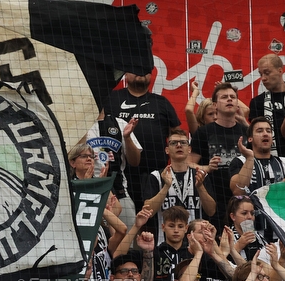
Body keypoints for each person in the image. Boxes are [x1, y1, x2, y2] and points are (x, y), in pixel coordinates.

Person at [102, 71, 181, 214]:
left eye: (145, 70)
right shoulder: (112, 98)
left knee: (157, 218)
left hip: (157, 174)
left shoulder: (161, 102)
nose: (141, 73)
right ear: (125, 74)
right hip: (122, 176)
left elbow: (177, 135)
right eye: (135, 69)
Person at [191, 83, 249, 230]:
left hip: (243, 201)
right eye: (224, 97)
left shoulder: (246, 131)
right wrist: (207, 168)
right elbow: (188, 164)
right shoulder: (203, 132)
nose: (229, 100)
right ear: (215, 105)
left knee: (248, 239)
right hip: (213, 200)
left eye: (233, 97)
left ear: (237, 103)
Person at [144, 129, 216, 236]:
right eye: (173, 143)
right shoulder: (156, 176)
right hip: (164, 242)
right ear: (167, 150)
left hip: (196, 240)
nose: (179, 145)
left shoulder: (201, 175)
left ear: (189, 149)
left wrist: (200, 187)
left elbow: (211, 211)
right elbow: (148, 212)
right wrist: (166, 187)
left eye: (183, 143)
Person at [247, 54, 285, 163]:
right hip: (275, 162)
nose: (263, 78)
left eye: (267, 73)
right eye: (261, 74)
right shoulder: (257, 102)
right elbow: (257, 137)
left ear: (280, 71)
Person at [228, 116, 285, 195]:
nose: (265, 134)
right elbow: (238, 191)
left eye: (268, 131)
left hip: (278, 207)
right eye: (260, 131)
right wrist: (249, 158)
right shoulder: (240, 161)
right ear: (250, 139)